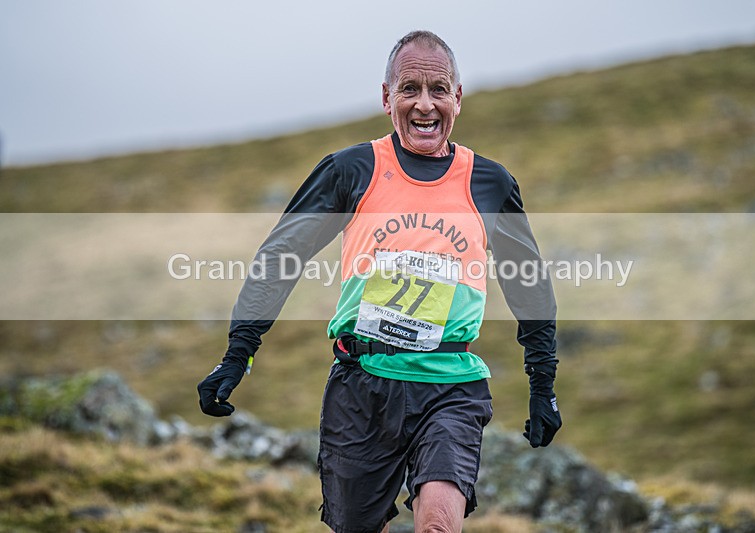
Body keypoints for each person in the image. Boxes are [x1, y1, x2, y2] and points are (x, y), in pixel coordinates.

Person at [198, 30, 561, 533]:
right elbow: (281, 255)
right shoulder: (351, 170)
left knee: (438, 525)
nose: (425, 105)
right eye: (410, 89)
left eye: (438, 89)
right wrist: (238, 353)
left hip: (449, 386)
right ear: (387, 97)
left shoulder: (490, 183)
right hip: (362, 387)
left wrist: (543, 384)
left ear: (458, 97)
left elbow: (530, 286)